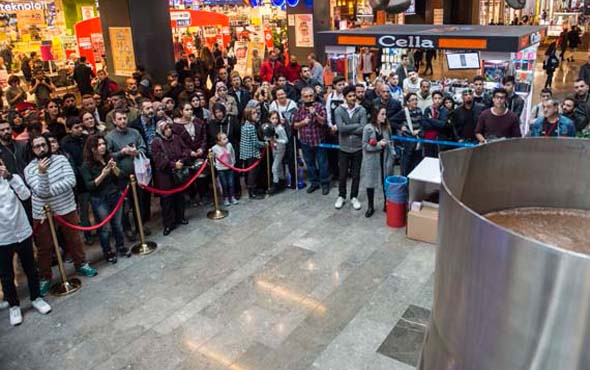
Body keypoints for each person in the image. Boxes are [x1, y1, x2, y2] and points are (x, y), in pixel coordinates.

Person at [25, 135, 97, 296]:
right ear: (32, 149)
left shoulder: (61, 160)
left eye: (44, 144)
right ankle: (45, 277)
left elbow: (71, 182)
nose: (42, 148)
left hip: (66, 208)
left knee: (74, 239)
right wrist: (42, 174)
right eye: (37, 146)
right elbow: (41, 193)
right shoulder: (29, 169)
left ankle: (81, 264)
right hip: (42, 213)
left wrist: (49, 190)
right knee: (44, 247)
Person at [0, 159, 52, 326]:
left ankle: (36, 297)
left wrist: (9, 177)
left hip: (22, 230)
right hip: (3, 236)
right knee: (7, 275)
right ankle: (14, 306)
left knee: (30, 268)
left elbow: (25, 195)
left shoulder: (12, 178)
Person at [80, 135, 128, 263]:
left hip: (115, 194)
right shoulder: (86, 166)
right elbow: (90, 186)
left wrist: (114, 168)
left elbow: (121, 175)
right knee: (105, 228)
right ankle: (107, 251)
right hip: (100, 199)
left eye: (103, 144)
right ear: (92, 149)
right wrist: (103, 174)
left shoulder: (109, 158)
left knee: (118, 224)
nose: (102, 147)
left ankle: (121, 246)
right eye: (98, 145)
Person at [106, 109, 150, 240]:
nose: (123, 121)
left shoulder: (135, 133)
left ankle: (140, 225)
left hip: (137, 173)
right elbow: (107, 155)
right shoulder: (109, 137)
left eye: (124, 118)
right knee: (125, 205)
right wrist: (122, 152)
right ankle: (127, 228)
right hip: (121, 177)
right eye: (119, 119)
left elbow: (143, 147)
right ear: (114, 121)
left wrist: (137, 151)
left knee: (139, 201)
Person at [151, 120, 191, 236]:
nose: (168, 130)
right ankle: (169, 223)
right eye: (166, 129)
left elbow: (185, 150)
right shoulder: (156, 142)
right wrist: (173, 165)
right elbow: (159, 160)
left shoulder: (176, 138)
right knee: (167, 200)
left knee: (180, 196)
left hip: (178, 174)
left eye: (169, 128)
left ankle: (180, 217)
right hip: (165, 176)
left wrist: (182, 161)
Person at [60, 117, 94, 245]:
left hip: (90, 176)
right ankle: (87, 234)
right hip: (79, 181)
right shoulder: (65, 143)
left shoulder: (86, 139)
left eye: (81, 126)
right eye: (76, 127)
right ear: (69, 129)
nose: (80, 129)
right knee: (84, 210)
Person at [334, 85, 366, 211]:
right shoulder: (338, 110)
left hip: (357, 148)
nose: (353, 98)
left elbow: (363, 127)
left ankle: (354, 196)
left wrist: (348, 127)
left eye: (354, 96)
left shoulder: (361, 110)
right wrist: (355, 126)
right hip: (344, 148)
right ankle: (341, 196)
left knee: (356, 174)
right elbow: (340, 128)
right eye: (350, 96)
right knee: (342, 175)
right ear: (345, 97)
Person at [294, 87, 330, 195]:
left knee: (323, 164)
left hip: (319, 140)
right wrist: (303, 122)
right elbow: (295, 125)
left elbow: (323, 122)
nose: (309, 99)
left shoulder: (319, 107)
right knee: (309, 164)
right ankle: (314, 183)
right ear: (302, 98)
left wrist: (315, 114)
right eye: (306, 97)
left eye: (311, 96)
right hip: (305, 141)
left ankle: (325, 184)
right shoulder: (299, 109)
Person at [362, 107, 394, 218]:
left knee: (385, 181)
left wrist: (392, 153)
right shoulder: (368, 128)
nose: (385, 117)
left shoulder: (386, 128)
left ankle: (387, 203)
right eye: (382, 114)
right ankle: (370, 206)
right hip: (372, 160)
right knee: (370, 182)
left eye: (385, 114)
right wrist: (379, 145)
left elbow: (391, 141)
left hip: (385, 158)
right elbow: (365, 146)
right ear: (376, 115)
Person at [392, 92, 424, 176]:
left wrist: (420, 130)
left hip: (418, 140)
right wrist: (400, 127)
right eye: (412, 100)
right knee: (406, 163)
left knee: (416, 162)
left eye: (416, 99)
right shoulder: (404, 112)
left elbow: (422, 123)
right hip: (408, 141)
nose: (415, 102)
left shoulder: (419, 110)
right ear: (407, 102)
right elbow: (391, 121)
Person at [240, 107, 265, 199]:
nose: (256, 114)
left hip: (246, 152)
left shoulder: (245, 125)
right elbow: (255, 143)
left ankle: (252, 189)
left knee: (250, 172)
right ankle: (252, 192)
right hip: (251, 153)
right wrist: (264, 144)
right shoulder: (250, 127)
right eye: (253, 113)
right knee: (252, 173)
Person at [212, 132, 238, 206]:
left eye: (226, 138)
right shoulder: (214, 148)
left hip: (229, 167)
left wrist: (233, 163)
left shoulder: (229, 145)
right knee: (224, 184)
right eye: (223, 139)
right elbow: (212, 158)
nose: (226, 140)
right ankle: (225, 198)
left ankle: (232, 197)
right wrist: (215, 165)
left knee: (231, 183)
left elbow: (232, 154)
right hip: (221, 169)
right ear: (218, 141)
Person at [422, 91, 449, 157]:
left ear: (442, 99)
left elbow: (442, 125)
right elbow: (425, 124)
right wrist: (436, 123)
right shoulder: (428, 109)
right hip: (428, 139)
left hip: (439, 140)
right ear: (432, 99)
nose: (437, 100)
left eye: (439, 98)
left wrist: (430, 119)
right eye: (435, 98)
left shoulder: (444, 110)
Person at [267, 111, 288, 193]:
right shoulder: (270, 127)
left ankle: (275, 184)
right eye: (273, 118)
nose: (275, 120)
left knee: (274, 167)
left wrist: (277, 140)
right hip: (274, 148)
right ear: (269, 119)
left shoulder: (280, 128)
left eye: (276, 118)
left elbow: (286, 140)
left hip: (280, 148)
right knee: (278, 166)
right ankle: (282, 181)